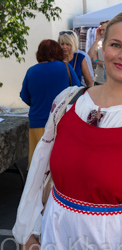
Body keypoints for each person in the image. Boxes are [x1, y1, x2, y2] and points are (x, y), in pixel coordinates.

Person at [13, 11, 122, 250]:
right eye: (116, 45)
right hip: (54, 240)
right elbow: (39, 171)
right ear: (103, 49)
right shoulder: (67, 102)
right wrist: (29, 230)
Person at [20, 39, 80, 169]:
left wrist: (39, 103)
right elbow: (77, 91)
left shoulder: (31, 71)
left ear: (39, 53)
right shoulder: (66, 67)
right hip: (62, 122)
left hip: (37, 123)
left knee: (38, 165)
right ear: (58, 52)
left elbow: (25, 97)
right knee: (61, 162)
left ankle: (37, 189)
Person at [87, 20, 109, 85]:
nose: (101, 32)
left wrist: (97, 61)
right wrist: (96, 40)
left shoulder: (116, 45)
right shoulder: (98, 43)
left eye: (104, 30)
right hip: (98, 80)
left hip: (110, 82)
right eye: (101, 30)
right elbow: (88, 57)